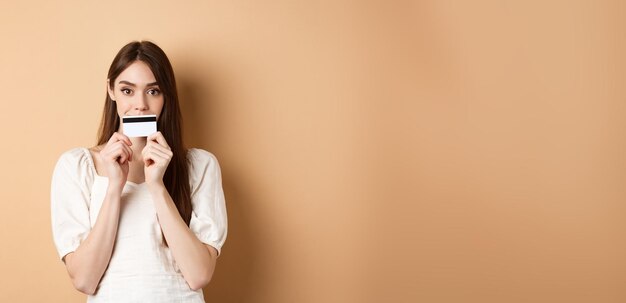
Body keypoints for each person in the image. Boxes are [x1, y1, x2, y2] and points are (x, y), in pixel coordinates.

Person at [50, 41, 227, 302]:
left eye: (153, 91)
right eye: (127, 90)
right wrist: (114, 187)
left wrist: (156, 186)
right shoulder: (76, 166)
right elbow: (85, 280)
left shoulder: (200, 166)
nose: (140, 104)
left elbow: (199, 274)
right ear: (111, 90)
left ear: (167, 97)